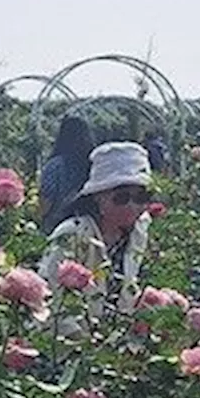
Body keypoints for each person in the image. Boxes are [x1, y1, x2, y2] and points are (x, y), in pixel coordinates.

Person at [38, 141, 153, 331]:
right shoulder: (71, 234)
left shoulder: (139, 229)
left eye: (141, 197)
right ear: (98, 197)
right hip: (68, 343)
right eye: (121, 198)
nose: (132, 206)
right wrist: (83, 347)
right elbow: (51, 299)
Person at [38, 115, 94, 234]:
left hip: (57, 228)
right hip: (89, 227)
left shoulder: (55, 166)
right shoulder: (93, 165)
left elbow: (46, 203)